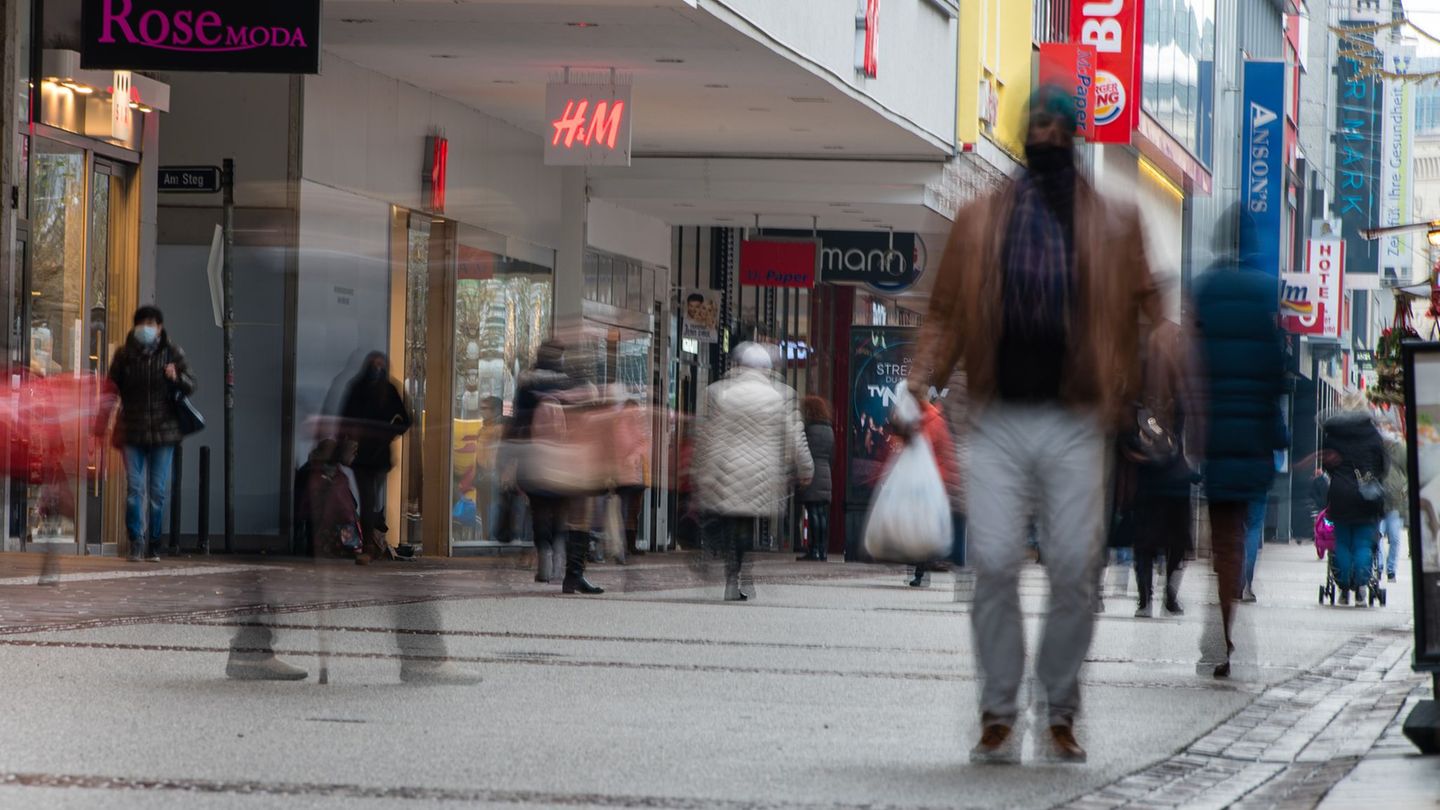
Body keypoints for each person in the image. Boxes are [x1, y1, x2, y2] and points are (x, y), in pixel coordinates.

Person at [909, 86, 1162, 764]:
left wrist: (1142, 396)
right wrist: (919, 379)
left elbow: (1147, 311)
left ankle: (1060, 705)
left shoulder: (1115, 219)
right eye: (1037, 124)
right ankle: (997, 710)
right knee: (990, 562)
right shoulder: (979, 219)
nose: (1046, 133)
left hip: (1078, 417)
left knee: (1077, 569)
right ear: (1025, 133)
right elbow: (946, 313)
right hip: (995, 416)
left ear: (1074, 135)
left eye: (1057, 124)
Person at [1193, 205, 1287, 677]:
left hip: (1215, 432)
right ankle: (1227, 622)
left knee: (1222, 534)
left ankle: (1222, 626)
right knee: (1240, 532)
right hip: (1252, 434)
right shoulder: (1265, 292)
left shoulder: (1205, 289)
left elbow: (1194, 363)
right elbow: (1277, 372)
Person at [692, 343, 813, 601]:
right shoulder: (781, 395)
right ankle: (741, 573)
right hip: (761, 472)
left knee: (730, 521)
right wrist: (805, 467)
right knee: (747, 525)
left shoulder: (720, 393)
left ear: (738, 365)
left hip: (726, 469)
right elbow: (794, 435)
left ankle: (730, 575)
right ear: (768, 369)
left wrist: (699, 469)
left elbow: (706, 435)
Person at [95, 306, 196, 562]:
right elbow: (110, 392)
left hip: (164, 432)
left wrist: (176, 377)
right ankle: (136, 542)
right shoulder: (124, 355)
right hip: (131, 430)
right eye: (142, 324)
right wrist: (98, 427)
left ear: (160, 327)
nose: (146, 329)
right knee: (135, 489)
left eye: (151, 324)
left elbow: (191, 384)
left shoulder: (172, 353)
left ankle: (154, 543)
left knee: (157, 490)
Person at [508, 339, 604, 594]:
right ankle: (564, 562)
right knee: (563, 510)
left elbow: (517, 419)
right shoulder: (569, 381)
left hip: (532, 455)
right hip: (564, 457)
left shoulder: (527, 381)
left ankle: (545, 558)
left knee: (539, 509)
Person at [339, 352, 412, 558]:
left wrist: (388, 433)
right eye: (374, 365)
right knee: (368, 497)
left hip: (376, 455)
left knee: (369, 498)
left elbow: (405, 420)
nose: (377, 369)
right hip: (364, 455)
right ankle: (369, 543)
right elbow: (345, 417)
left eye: (380, 365)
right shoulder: (365, 389)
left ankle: (368, 542)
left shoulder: (386, 390)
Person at [1321, 404, 1387, 606]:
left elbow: (1326, 465)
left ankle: (1343, 587)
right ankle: (1360, 587)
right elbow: (1383, 465)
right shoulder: (1373, 435)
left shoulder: (1334, 435)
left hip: (1340, 495)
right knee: (1363, 543)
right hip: (1366, 497)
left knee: (1341, 542)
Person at [796, 396, 834, 562]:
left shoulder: (809, 429)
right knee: (822, 514)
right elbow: (832, 455)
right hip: (825, 473)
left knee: (813, 513)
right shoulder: (829, 429)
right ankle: (822, 550)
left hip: (813, 473)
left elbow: (803, 450)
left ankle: (814, 550)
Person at [1379, 423, 1408, 583]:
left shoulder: (1401, 449)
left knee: (1395, 539)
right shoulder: (1376, 448)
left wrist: (1405, 489)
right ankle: (1379, 567)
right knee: (1377, 537)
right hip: (1378, 503)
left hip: (1396, 504)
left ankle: (1391, 571)